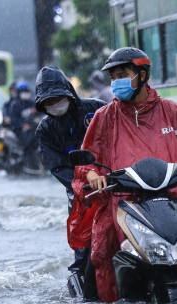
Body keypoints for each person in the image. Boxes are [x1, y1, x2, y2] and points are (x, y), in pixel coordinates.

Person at [69, 47, 177, 302]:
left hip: (173, 200)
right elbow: (87, 162)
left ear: (142, 75)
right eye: (113, 77)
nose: (116, 81)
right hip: (121, 202)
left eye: (122, 74)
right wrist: (92, 176)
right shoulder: (104, 117)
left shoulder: (172, 111)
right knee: (100, 253)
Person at [34, 65, 106, 225]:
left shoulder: (97, 109)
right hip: (79, 190)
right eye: (48, 101)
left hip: (111, 179)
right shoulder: (45, 130)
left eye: (57, 98)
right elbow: (58, 167)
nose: (54, 103)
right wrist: (82, 183)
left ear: (68, 92)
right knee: (83, 239)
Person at [9, 82, 42, 173]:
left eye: (27, 91)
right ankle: (30, 163)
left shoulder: (33, 103)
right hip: (22, 131)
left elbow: (40, 114)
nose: (26, 93)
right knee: (30, 142)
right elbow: (14, 120)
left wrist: (38, 120)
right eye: (23, 91)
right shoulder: (15, 105)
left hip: (35, 128)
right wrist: (22, 125)